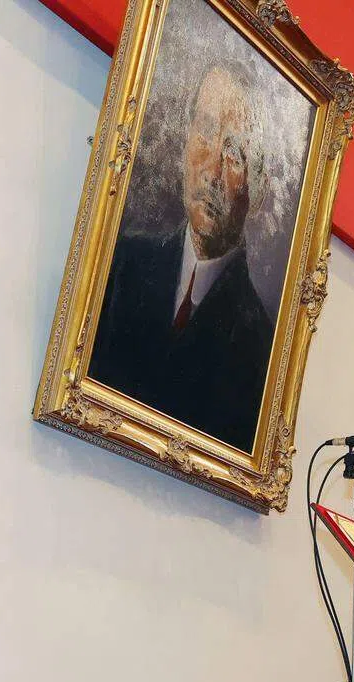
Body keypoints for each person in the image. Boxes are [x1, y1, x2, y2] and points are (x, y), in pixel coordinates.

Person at [89, 63, 275, 453]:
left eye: (234, 153)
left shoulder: (262, 348)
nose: (211, 171)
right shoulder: (119, 263)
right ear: (185, 139)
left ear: (258, 187)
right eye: (205, 131)